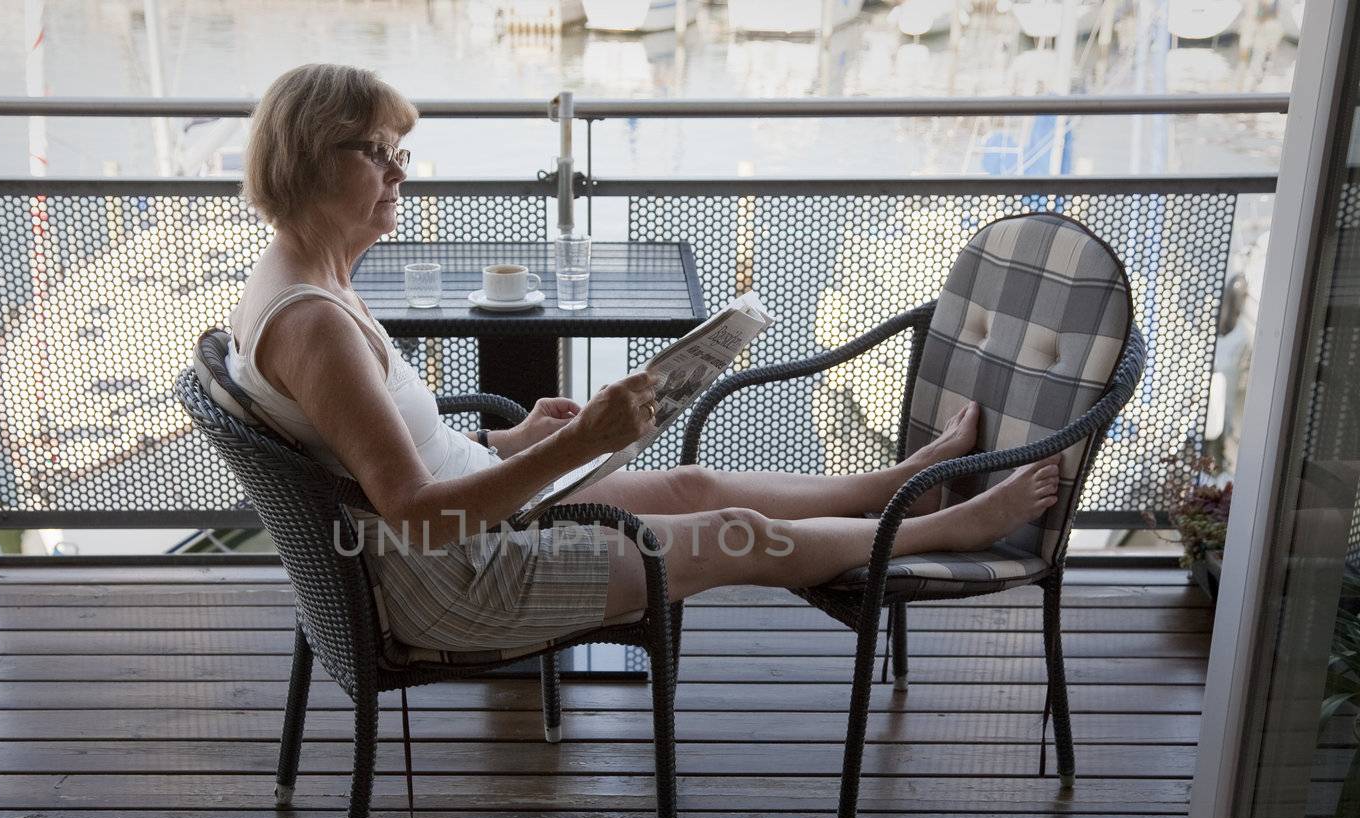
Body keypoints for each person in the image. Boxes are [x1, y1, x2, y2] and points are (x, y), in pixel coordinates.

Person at [227, 63, 1060, 653]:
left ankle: (892, 486)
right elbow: (417, 514)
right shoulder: (316, 323)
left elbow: (389, 459)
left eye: (397, 152)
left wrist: (515, 447)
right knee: (735, 532)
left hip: (472, 533)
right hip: (457, 580)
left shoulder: (314, 278)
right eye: (374, 152)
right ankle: (942, 526)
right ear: (306, 156)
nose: (397, 172)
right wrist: (581, 443)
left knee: (695, 487)